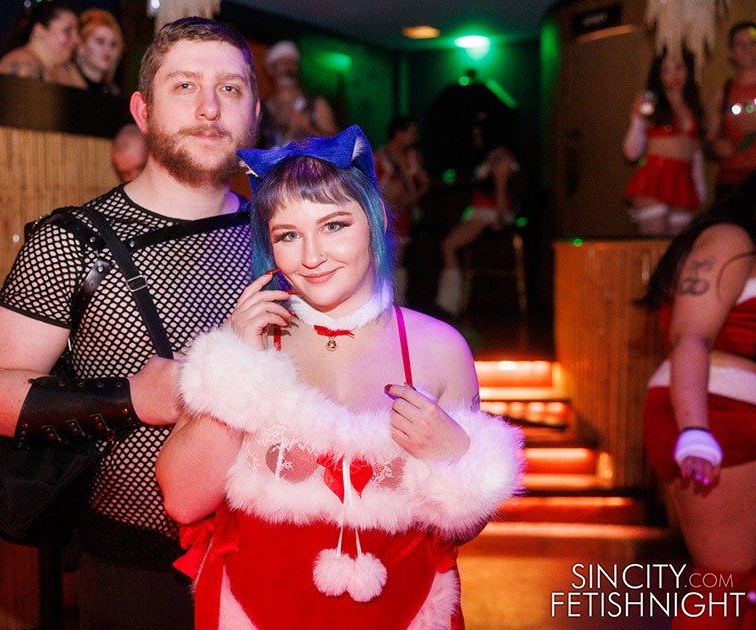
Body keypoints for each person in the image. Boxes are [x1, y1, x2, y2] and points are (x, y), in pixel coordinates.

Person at [157, 126, 523, 629]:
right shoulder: (248, 341)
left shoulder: (441, 350)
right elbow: (182, 501)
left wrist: (455, 456)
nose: (312, 256)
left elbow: (461, 531)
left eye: (333, 225)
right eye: (288, 235)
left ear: (375, 221)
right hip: (254, 611)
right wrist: (237, 367)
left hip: (407, 613)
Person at [0, 17, 261, 629]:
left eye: (230, 89)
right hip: (138, 580)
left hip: (277, 565)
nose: (210, 108)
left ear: (254, 112)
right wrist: (131, 398)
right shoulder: (73, 240)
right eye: (185, 86)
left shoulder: (287, 236)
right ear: (143, 111)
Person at [639, 174, 756, 628]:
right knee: (725, 581)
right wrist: (695, 430)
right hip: (716, 412)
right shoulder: (729, 238)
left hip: (730, 411)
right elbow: (689, 336)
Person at [623, 48, 705, 237]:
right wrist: (636, 119)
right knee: (655, 244)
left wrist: (701, 194)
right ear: (658, 74)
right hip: (654, 178)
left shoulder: (693, 106)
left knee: (679, 246)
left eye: (679, 68)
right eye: (665, 70)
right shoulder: (651, 103)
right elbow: (631, 153)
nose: (673, 75)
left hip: (684, 181)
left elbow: (695, 155)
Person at [434, 146, 520, 319]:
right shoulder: (484, 179)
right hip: (477, 217)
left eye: (501, 159)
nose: (496, 162)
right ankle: (448, 301)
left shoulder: (506, 182)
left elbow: (502, 215)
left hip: (486, 219)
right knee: (447, 245)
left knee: (449, 245)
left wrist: (500, 179)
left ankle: (448, 302)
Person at [375, 115, 430, 305]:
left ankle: (396, 304)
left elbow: (425, 183)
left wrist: (410, 199)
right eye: (412, 132)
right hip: (381, 215)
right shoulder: (378, 156)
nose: (415, 137)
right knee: (380, 259)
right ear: (399, 133)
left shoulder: (412, 158)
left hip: (403, 215)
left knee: (398, 261)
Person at [706, 22, 756, 203]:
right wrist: (715, 147)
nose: (748, 49)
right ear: (731, 52)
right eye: (740, 44)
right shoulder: (722, 94)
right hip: (731, 181)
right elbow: (709, 141)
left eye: (753, 43)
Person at [258, 40, 338, 149]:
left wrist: (309, 128)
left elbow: (337, 145)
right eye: (282, 63)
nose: (288, 68)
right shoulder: (262, 109)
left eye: (292, 63)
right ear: (270, 69)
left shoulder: (316, 103)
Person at [0, 1, 87, 88]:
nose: (77, 40)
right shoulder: (23, 66)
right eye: (67, 30)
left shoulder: (68, 68)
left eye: (77, 32)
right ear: (39, 30)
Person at [76, 8, 124, 95]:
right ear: (81, 45)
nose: (107, 49)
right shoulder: (65, 87)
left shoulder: (114, 93)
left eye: (113, 44)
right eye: (100, 41)